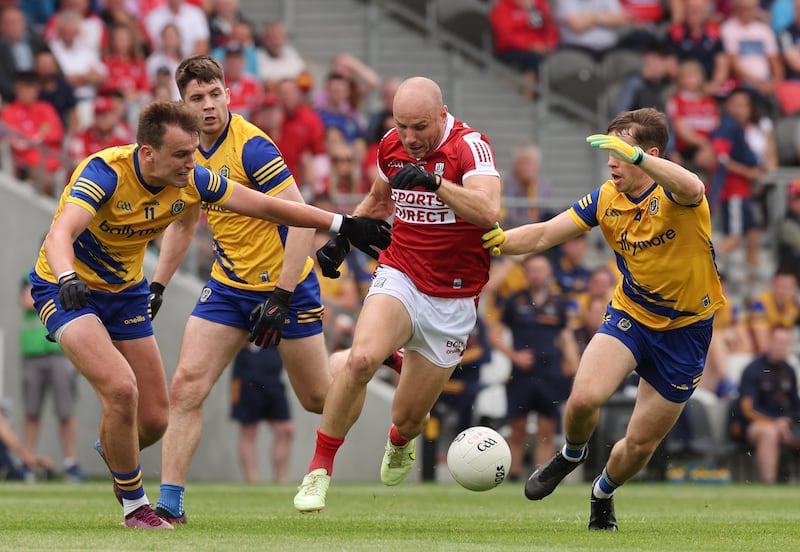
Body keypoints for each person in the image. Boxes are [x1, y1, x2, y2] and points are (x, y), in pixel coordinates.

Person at [27, 99, 390, 529]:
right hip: (67, 289)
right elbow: (60, 233)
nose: (192, 162)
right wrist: (67, 277)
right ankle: (137, 507)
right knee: (122, 389)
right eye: (181, 154)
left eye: (195, 151)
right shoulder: (105, 172)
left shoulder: (193, 179)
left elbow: (270, 206)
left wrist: (342, 224)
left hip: (125, 293)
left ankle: (117, 453)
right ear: (148, 153)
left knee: (157, 419)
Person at [151, 56, 390, 524]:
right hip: (227, 287)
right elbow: (183, 224)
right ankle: (170, 504)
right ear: (183, 104)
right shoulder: (187, 152)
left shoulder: (253, 146)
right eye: (196, 99)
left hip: (289, 286)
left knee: (318, 399)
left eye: (214, 95)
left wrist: (280, 297)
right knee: (186, 387)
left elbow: (300, 220)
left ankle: (363, 358)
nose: (208, 106)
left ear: (228, 94)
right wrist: (158, 284)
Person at [482, 107, 725, 530]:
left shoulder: (677, 196)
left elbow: (693, 184)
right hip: (631, 314)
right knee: (582, 400)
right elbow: (543, 233)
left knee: (639, 445)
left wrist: (638, 159)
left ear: (649, 154)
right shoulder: (605, 198)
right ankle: (572, 453)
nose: (611, 161)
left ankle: (603, 491)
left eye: (620, 151)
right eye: (608, 151)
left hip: (687, 332)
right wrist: (499, 241)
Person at [292, 76, 502, 513]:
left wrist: (436, 183)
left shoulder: (471, 147)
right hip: (400, 273)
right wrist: (342, 238)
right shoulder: (391, 145)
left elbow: (487, 211)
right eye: (402, 126)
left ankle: (399, 439)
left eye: (420, 127)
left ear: (443, 116)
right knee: (361, 358)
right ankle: (318, 471)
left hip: (454, 298)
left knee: (407, 418)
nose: (410, 138)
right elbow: (378, 199)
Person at [488, 253, 579, 481]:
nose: (537, 274)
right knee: (516, 429)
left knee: (546, 431)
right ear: (526, 273)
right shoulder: (515, 301)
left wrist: (577, 369)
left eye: (541, 270)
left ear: (549, 273)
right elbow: (494, 335)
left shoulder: (558, 303)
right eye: (532, 270)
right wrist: (514, 356)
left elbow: (566, 337)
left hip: (550, 374)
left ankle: (540, 479)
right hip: (521, 375)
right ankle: (512, 477)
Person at [19, 272, 85, 482]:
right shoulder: (28, 276)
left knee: (66, 410)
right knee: (31, 411)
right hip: (33, 354)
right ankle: (27, 461)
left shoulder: (71, 275)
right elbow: (26, 301)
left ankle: (70, 462)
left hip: (61, 352)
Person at [729, 325, 800, 483]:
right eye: (778, 342)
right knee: (769, 433)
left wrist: (787, 421)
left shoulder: (789, 371)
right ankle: (769, 484)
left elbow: (796, 406)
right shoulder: (753, 369)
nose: (782, 347)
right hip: (751, 426)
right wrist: (775, 423)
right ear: (769, 342)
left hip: (783, 425)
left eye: (785, 343)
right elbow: (747, 409)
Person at [230, 343, 295, 484]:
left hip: (272, 375)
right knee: (249, 430)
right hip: (246, 375)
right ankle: (252, 481)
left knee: (286, 430)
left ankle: (281, 480)